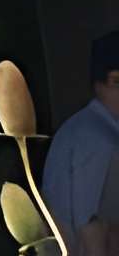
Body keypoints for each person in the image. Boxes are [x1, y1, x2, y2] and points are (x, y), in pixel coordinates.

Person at [41, 33, 119, 256]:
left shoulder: (81, 127)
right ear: (102, 84)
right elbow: (91, 227)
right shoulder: (100, 139)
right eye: (117, 82)